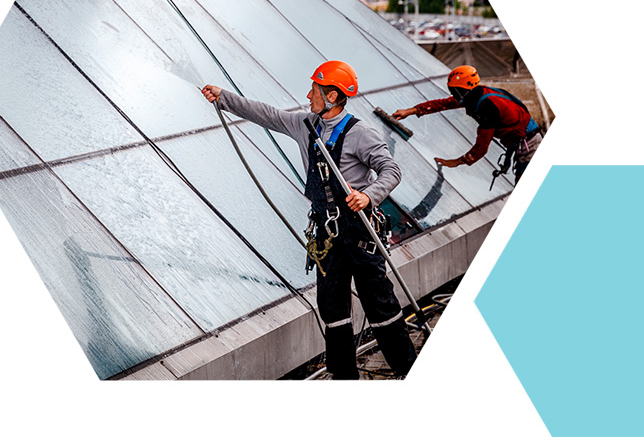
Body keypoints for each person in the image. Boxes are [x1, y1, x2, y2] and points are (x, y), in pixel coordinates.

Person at [202, 60, 416, 379]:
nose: (308, 95)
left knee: (381, 308)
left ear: (331, 95)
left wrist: (369, 195)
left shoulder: (360, 133)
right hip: (328, 237)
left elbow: (391, 170)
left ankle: (406, 370)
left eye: (314, 90)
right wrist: (224, 98)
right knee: (333, 311)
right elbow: (268, 114)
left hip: (360, 233)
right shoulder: (305, 125)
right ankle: (344, 378)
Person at [392, 65, 542, 182]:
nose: (453, 95)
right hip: (525, 140)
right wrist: (411, 111)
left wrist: (456, 162)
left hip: (529, 144)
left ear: (464, 90)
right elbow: (443, 104)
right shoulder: (477, 94)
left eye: (455, 91)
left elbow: (481, 147)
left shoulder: (488, 107)